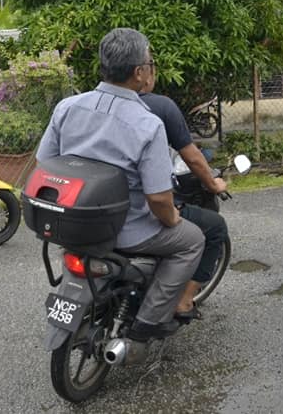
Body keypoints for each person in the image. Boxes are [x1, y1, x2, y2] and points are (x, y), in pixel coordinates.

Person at [36, 28, 204, 342]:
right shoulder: (148, 124)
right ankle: (147, 325)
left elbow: (45, 164)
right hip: (128, 232)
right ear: (139, 73)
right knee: (192, 240)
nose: (152, 70)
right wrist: (173, 220)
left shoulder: (68, 107)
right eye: (151, 64)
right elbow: (158, 199)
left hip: (72, 223)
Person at [140, 79, 229, 323]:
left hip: (97, 213)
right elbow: (193, 158)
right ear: (142, 72)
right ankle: (183, 300)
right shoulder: (161, 107)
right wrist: (213, 184)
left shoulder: (82, 107)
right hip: (142, 215)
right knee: (210, 229)